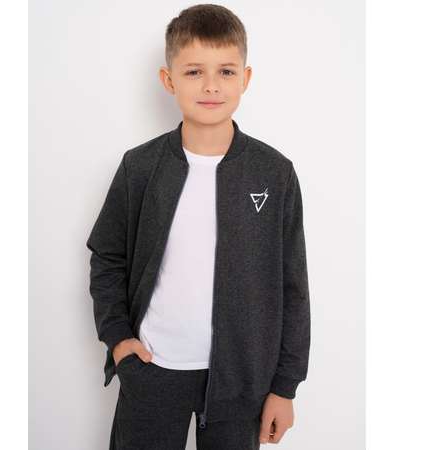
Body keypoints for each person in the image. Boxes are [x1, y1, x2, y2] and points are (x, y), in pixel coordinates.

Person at [86, 4, 311, 449]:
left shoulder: (274, 173)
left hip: (242, 380)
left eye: (226, 71)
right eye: (193, 72)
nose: (211, 85)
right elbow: (108, 258)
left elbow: (293, 285)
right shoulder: (140, 167)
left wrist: (285, 387)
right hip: (152, 368)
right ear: (169, 80)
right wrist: (119, 340)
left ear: (245, 79)